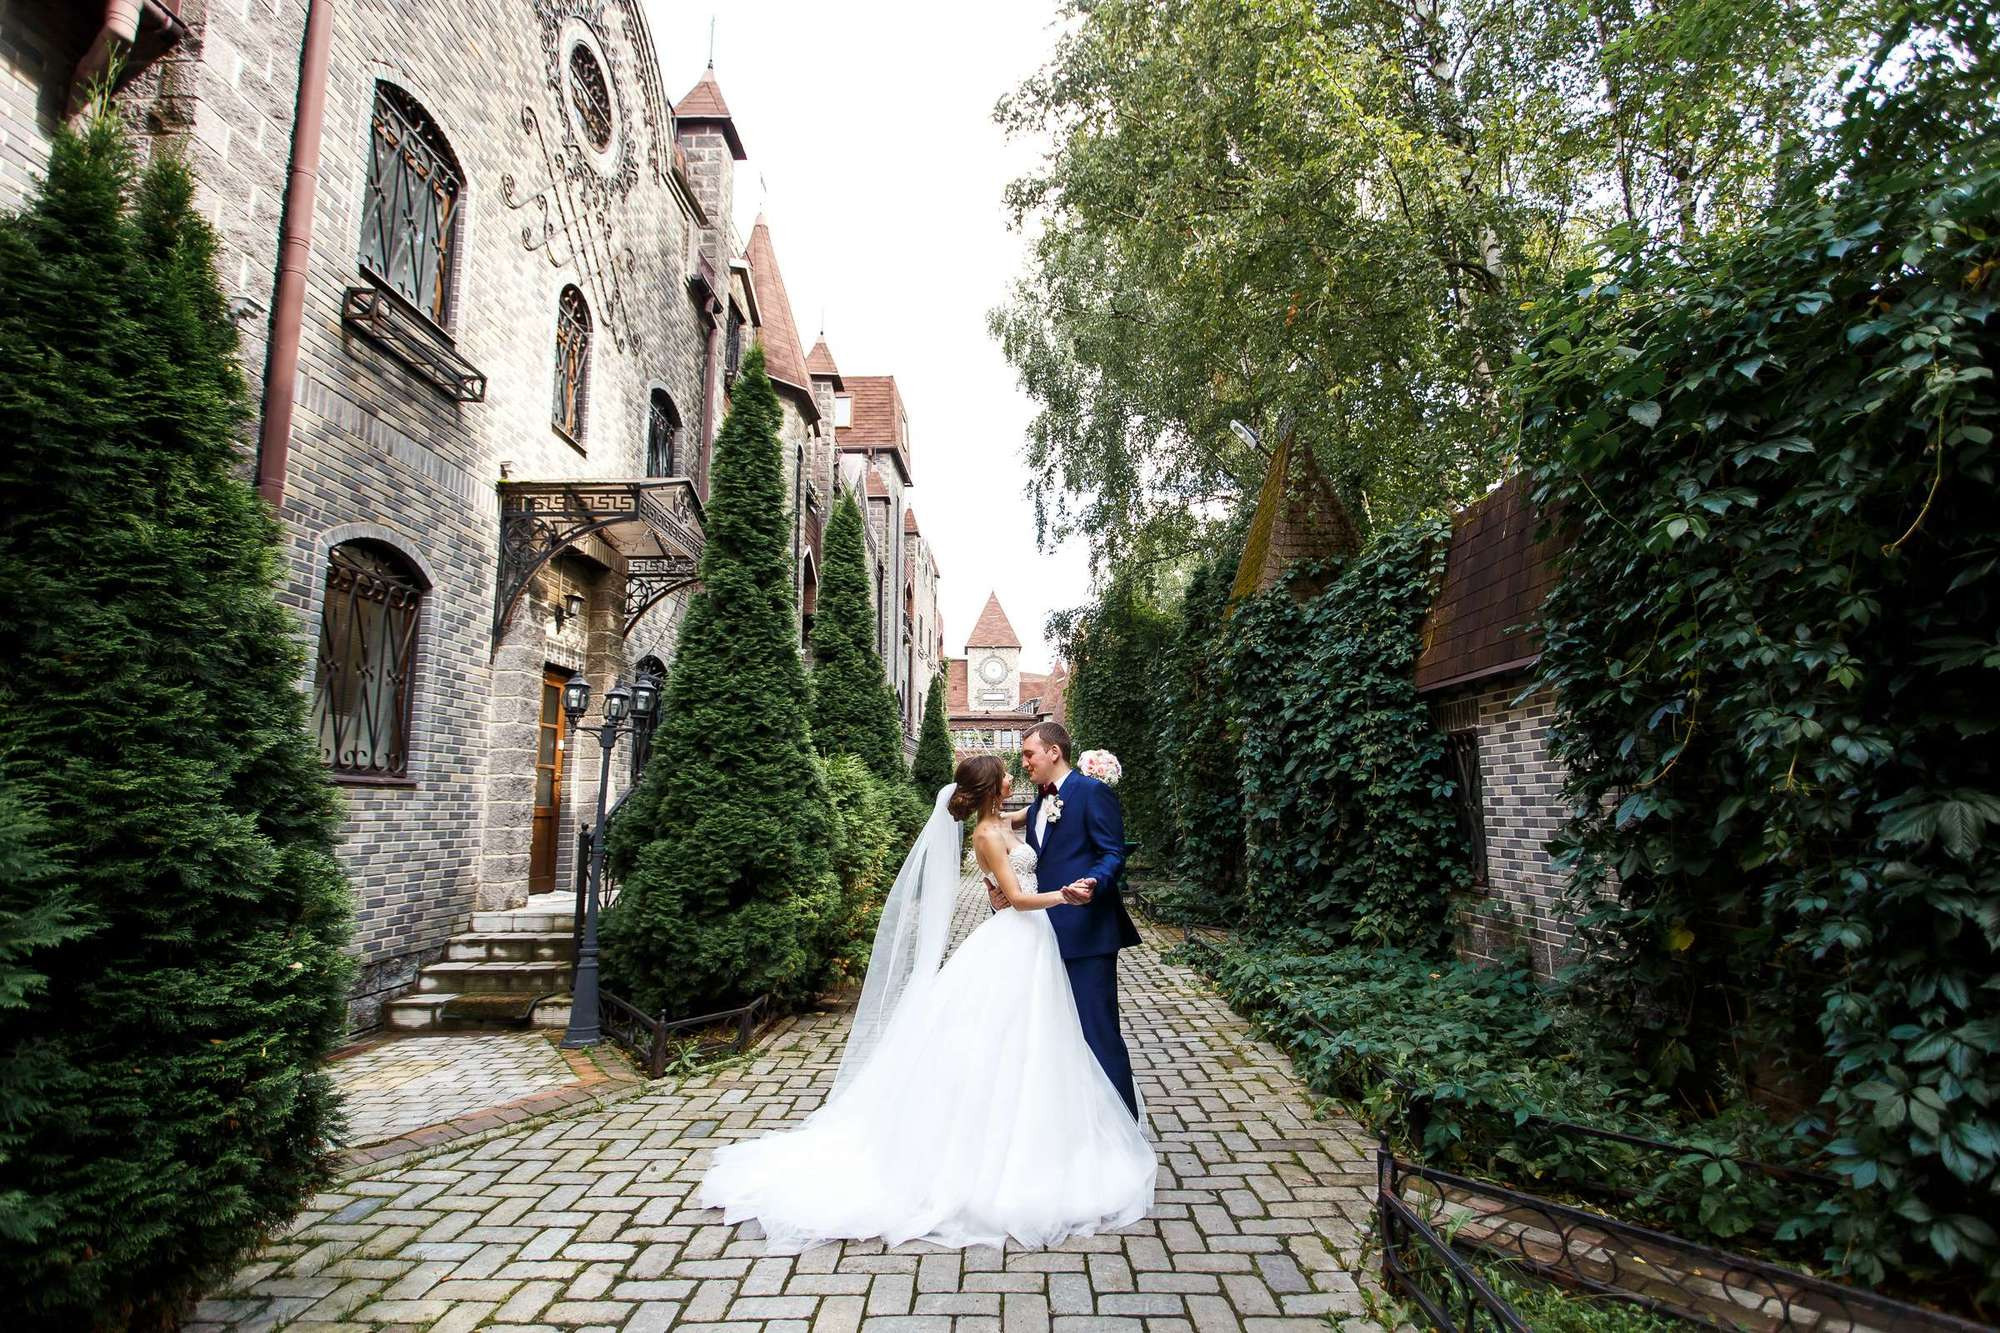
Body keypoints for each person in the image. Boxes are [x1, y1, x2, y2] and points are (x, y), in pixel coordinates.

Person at [698, 755, 1156, 1254]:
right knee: (1008, 1035)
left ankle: (1046, 1133)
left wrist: (1067, 791)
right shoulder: (985, 835)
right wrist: (1063, 896)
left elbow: (1040, 819)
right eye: (1006, 772)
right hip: (1019, 934)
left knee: (1037, 1037)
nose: (1013, 775)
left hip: (1031, 942)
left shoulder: (1005, 819)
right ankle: (992, 1148)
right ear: (990, 790)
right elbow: (1017, 899)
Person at [993, 722, 1143, 1116]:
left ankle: (1125, 1126)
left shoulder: (1093, 792)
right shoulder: (1042, 800)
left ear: (1054, 752)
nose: (1023, 762)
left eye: (1029, 754)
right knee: (1054, 1033)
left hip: (1087, 930)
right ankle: (1078, 1122)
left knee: (1098, 1031)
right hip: (1043, 933)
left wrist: (1094, 881)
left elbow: (1112, 852)